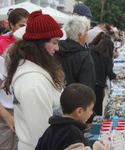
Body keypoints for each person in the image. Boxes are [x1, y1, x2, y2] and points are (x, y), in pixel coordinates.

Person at [4, 10, 64, 150]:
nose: (57, 48)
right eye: (55, 42)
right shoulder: (32, 81)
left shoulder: (34, 72)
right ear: (40, 43)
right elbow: (42, 135)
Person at [35, 83, 96, 150]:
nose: (92, 113)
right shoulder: (73, 134)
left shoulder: (50, 130)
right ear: (79, 111)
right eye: (91, 109)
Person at [56, 16, 96, 90]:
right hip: (76, 98)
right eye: (86, 31)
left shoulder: (56, 48)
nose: (87, 33)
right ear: (80, 35)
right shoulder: (84, 56)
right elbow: (87, 87)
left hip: (58, 95)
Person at [90, 33, 116, 115]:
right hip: (99, 83)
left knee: (90, 105)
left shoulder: (91, 51)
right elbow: (110, 74)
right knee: (98, 107)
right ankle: (95, 125)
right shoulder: (106, 57)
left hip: (90, 82)